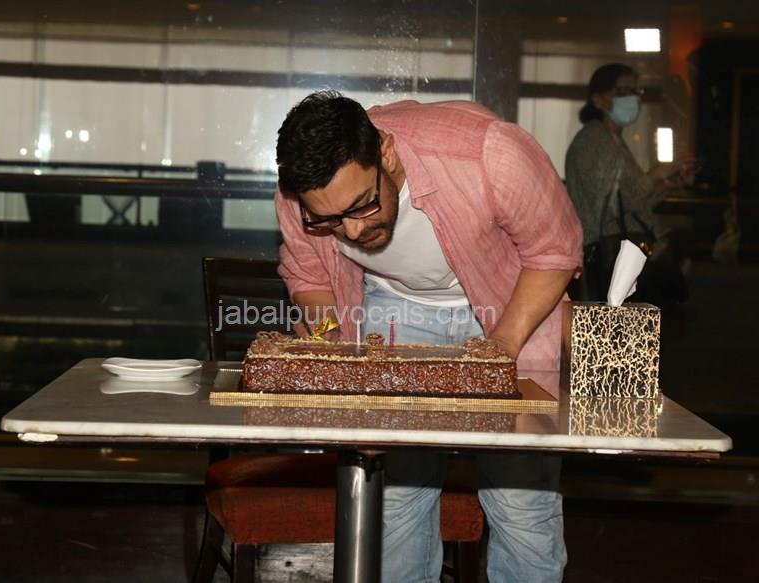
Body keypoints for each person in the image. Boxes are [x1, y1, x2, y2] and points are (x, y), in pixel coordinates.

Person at [274, 90, 583, 582]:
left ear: (386, 153)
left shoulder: (490, 154)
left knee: (520, 499)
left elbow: (555, 251)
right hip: (394, 308)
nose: (350, 232)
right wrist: (328, 338)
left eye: (362, 205)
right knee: (398, 497)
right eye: (330, 220)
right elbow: (309, 275)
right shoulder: (301, 194)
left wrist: (501, 347)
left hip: (509, 304)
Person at [565, 63, 694, 302]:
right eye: (622, 92)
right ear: (598, 100)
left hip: (619, 253)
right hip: (606, 252)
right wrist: (656, 174)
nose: (632, 98)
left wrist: (667, 183)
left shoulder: (613, 140)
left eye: (635, 91)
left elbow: (633, 202)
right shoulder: (593, 140)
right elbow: (610, 204)